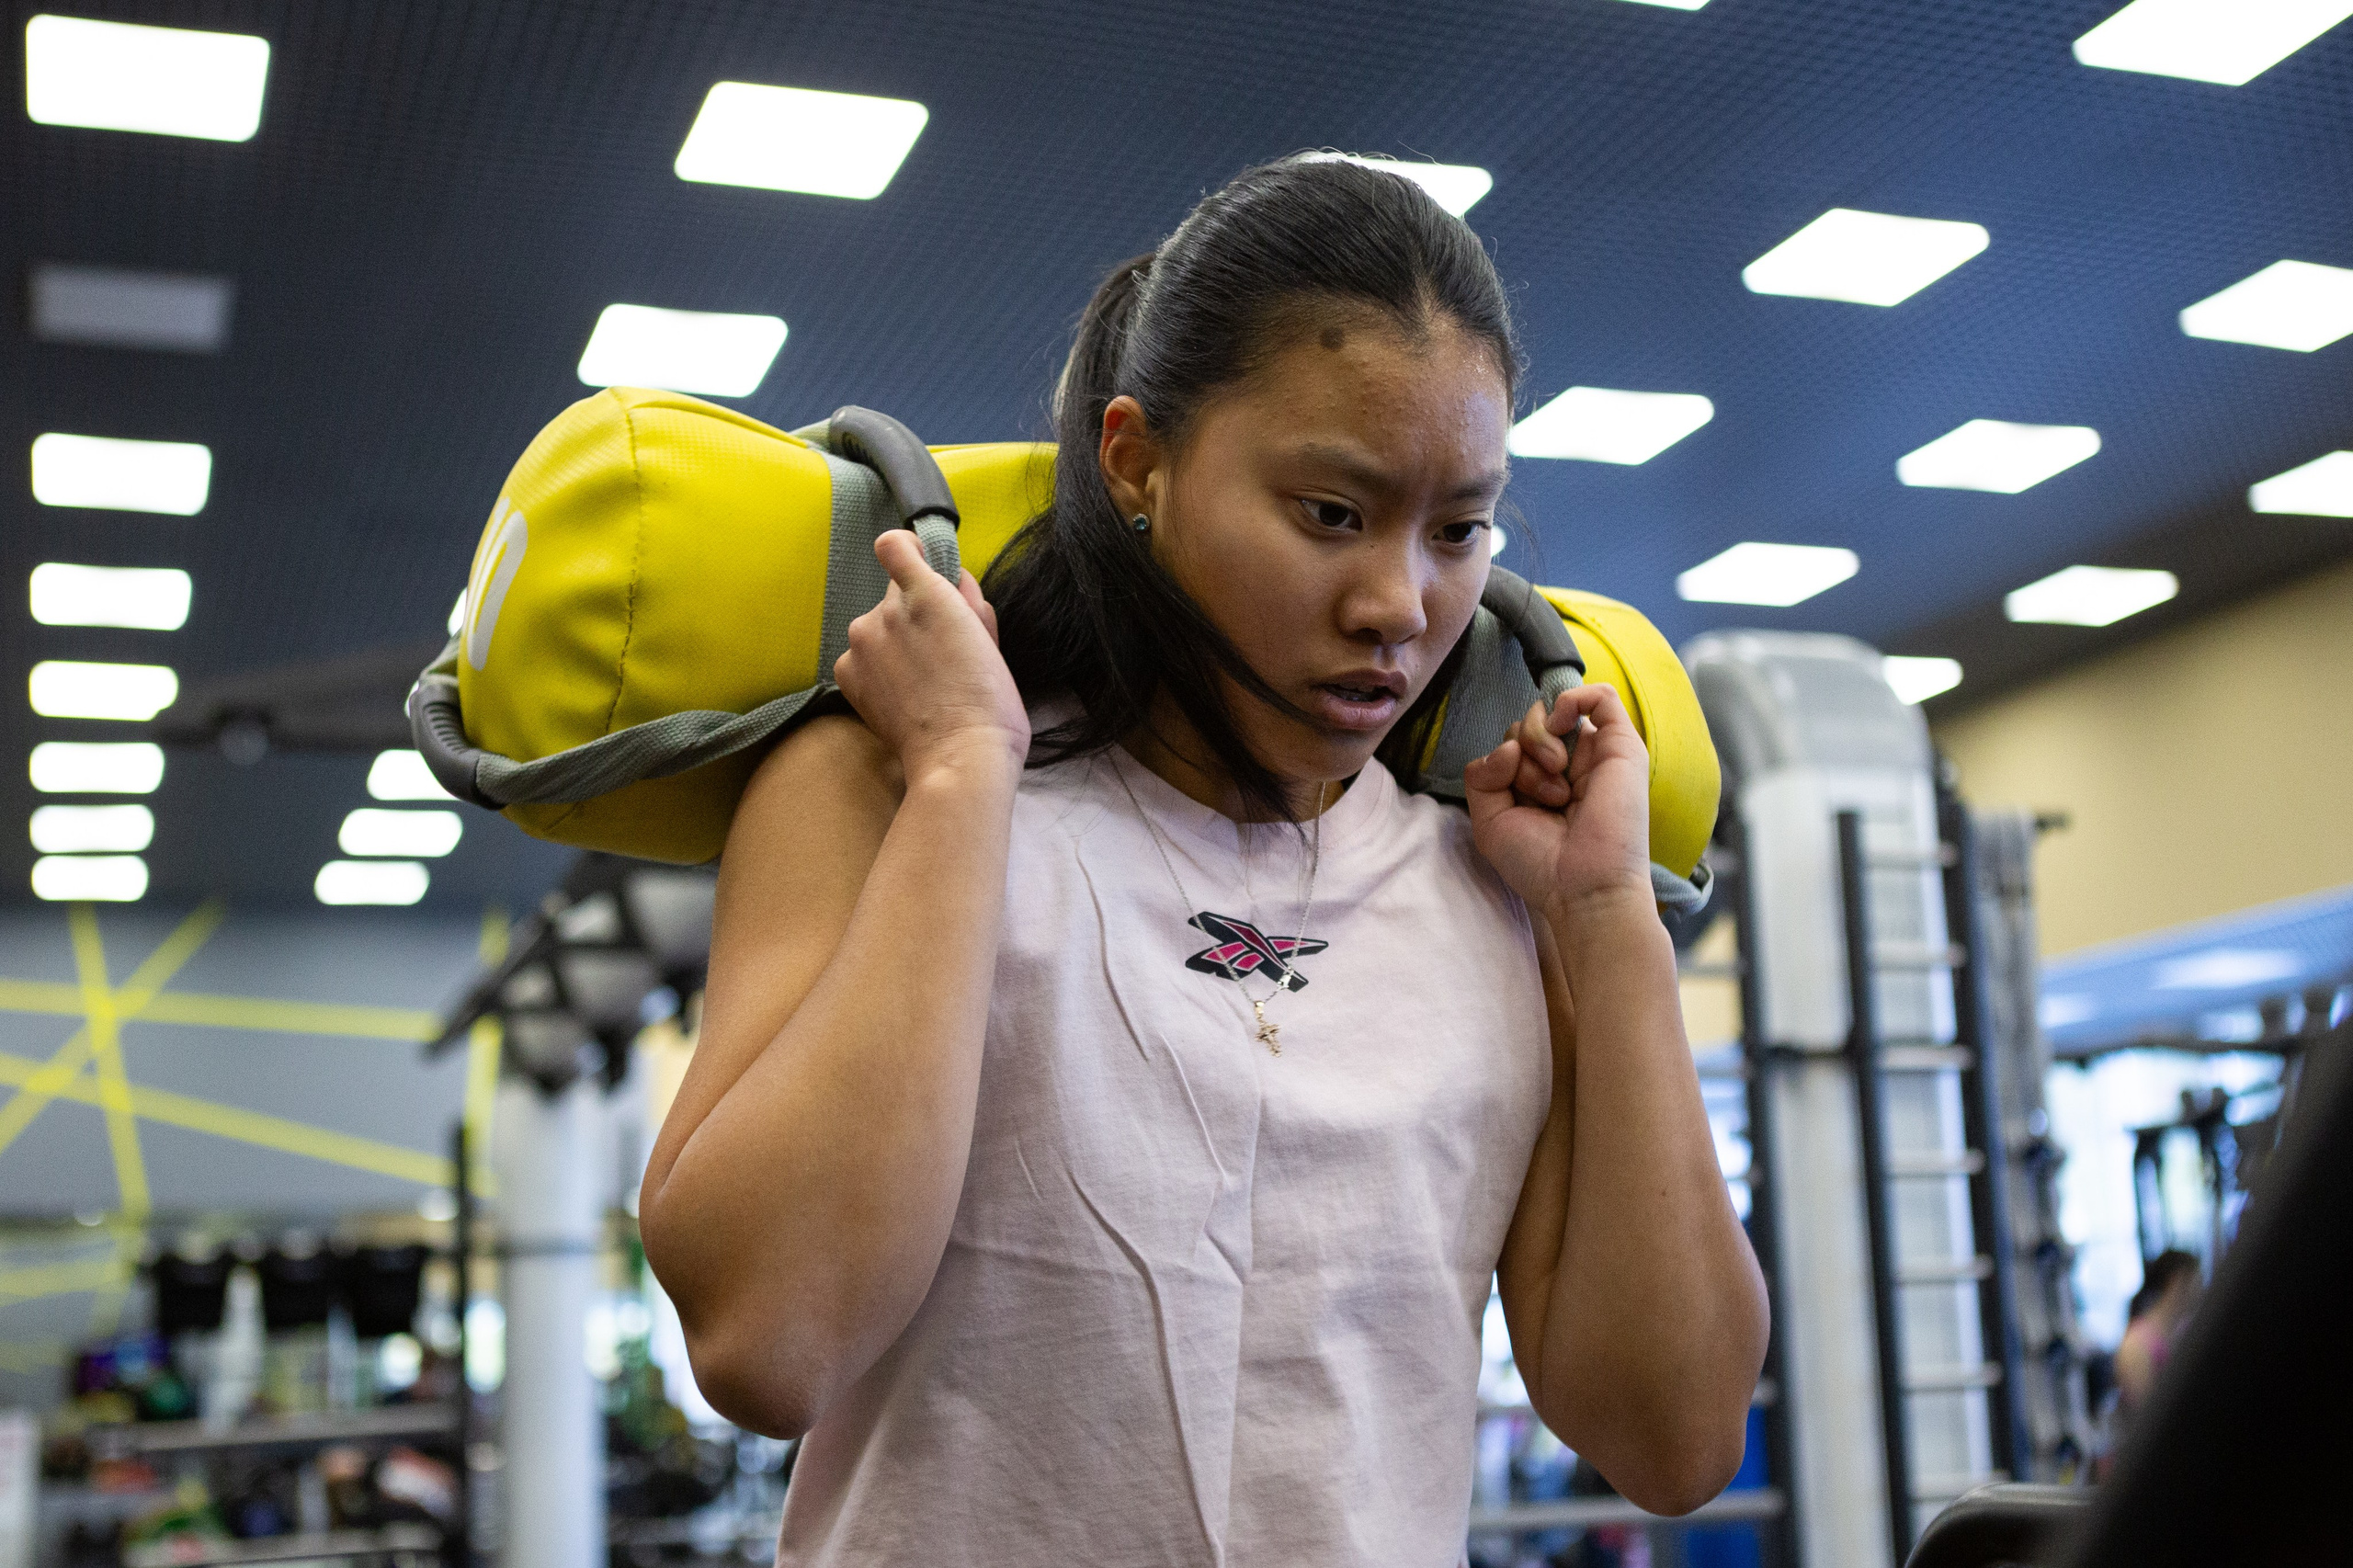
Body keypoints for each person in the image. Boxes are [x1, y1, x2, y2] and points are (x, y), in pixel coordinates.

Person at [638, 154, 1768, 1564]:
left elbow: (1671, 1440)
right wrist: (963, 775)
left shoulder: (1500, 887)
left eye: (1461, 529)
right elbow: (767, 1340)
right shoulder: (882, 783)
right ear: (1137, 462)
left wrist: (1607, 917)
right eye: (1330, 514)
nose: (1398, 605)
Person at [2108, 1248, 2200, 1467]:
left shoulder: (2184, 1332)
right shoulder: (2138, 1343)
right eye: (2198, 1280)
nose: (2202, 1288)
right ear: (2177, 1282)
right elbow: (2146, 1416)